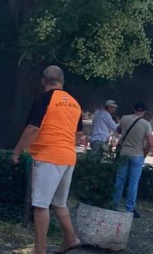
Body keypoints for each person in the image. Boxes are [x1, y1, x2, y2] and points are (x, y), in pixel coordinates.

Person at [11, 66, 83, 254]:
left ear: (43, 81)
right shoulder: (75, 104)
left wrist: (17, 151)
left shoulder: (43, 100)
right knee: (59, 203)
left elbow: (32, 129)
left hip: (48, 157)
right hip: (68, 157)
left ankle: (39, 249)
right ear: (62, 81)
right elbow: (79, 134)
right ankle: (71, 239)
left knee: (41, 205)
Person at [112, 101, 153, 218]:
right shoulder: (146, 124)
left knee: (119, 181)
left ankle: (114, 204)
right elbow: (150, 142)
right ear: (144, 112)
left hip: (124, 153)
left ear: (133, 109)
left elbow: (119, 131)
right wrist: (144, 154)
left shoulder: (125, 118)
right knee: (133, 183)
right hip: (137, 155)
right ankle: (130, 208)